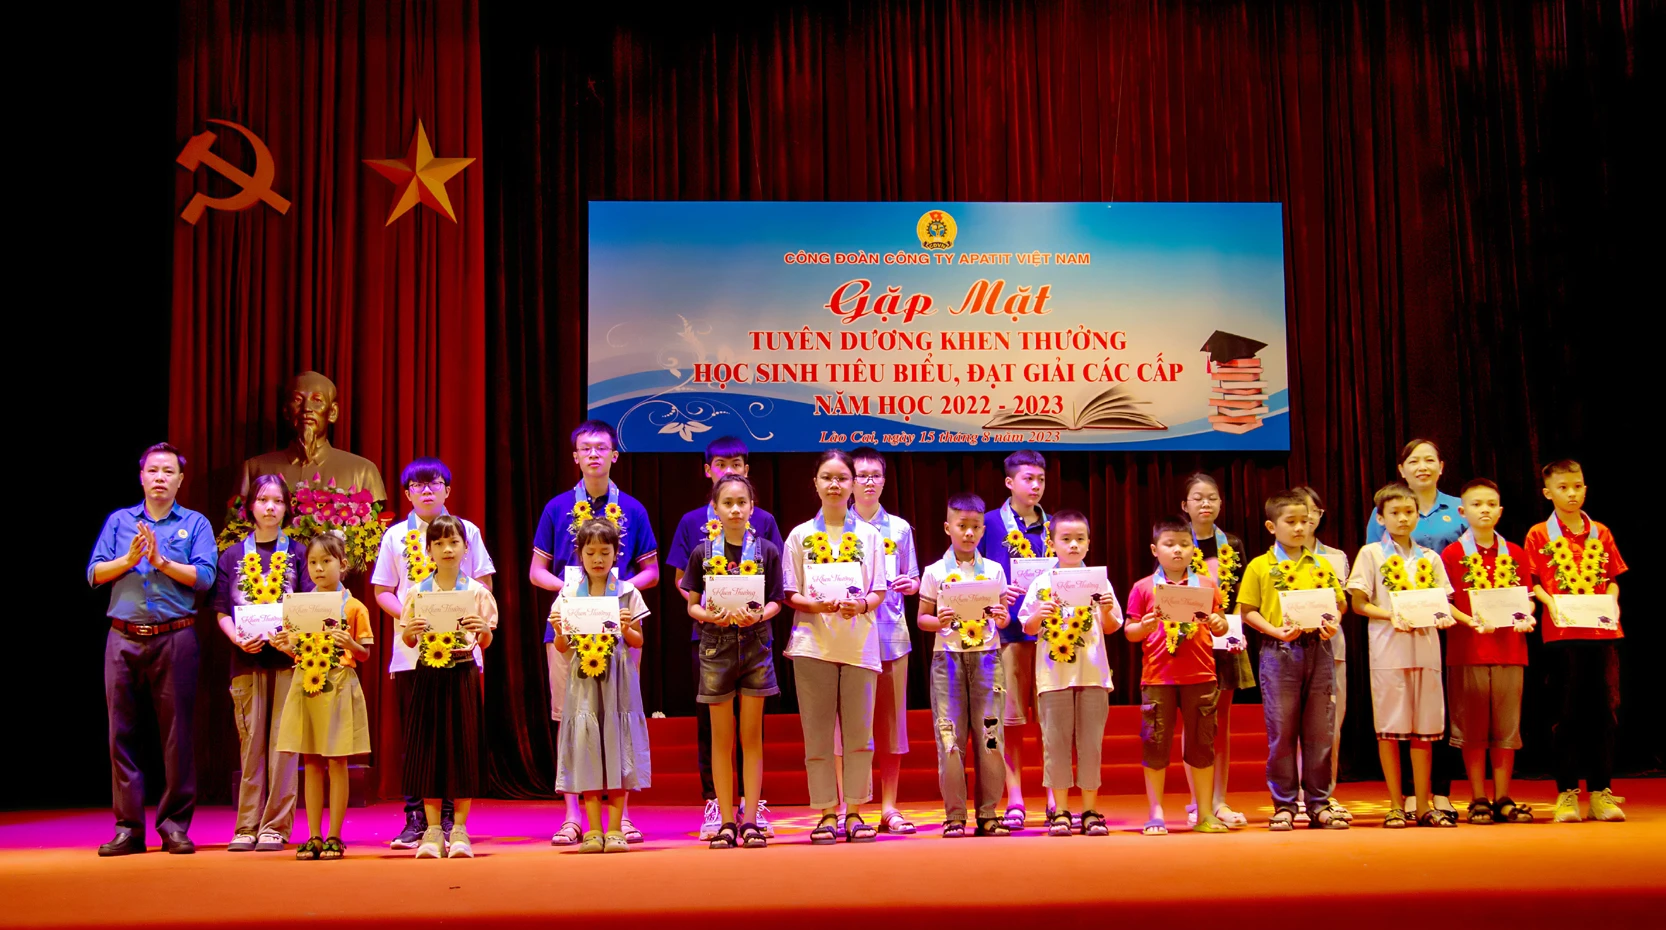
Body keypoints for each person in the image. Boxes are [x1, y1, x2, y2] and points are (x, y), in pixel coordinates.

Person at [531, 420, 658, 846]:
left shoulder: (633, 509)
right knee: (571, 717)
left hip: (621, 628)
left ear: (614, 455)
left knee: (621, 714)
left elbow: (652, 571)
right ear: (575, 456)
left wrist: (614, 596)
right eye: (586, 448)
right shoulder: (556, 508)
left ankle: (623, 818)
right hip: (569, 630)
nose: (594, 455)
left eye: (601, 448)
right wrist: (574, 595)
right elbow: (536, 571)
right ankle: (572, 818)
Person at [87, 442, 217, 856]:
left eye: (168, 472)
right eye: (153, 471)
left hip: (175, 637)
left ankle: (174, 825)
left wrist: (161, 562)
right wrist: (128, 560)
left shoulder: (195, 523)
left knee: (177, 735)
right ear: (141, 477)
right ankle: (128, 828)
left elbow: (205, 578)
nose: (160, 477)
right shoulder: (119, 521)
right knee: (120, 734)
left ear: (180, 480)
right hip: (122, 637)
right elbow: (94, 573)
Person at [371, 458, 496, 850]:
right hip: (413, 653)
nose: (427, 491)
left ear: (448, 490)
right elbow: (382, 591)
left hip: (460, 653)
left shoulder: (467, 530)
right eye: (418, 485)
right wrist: (413, 619)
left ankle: (451, 821)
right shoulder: (395, 536)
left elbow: (483, 584)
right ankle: (416, 820)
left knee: (458, 736)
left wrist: (471, 626)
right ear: (407, 494)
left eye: (435, 483)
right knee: (420, 738)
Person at [664, 436, 783, 839]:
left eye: (741, 503)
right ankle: (725, 817)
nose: (735, 509)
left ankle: (751, 816)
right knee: (719, 737)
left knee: (752, 737)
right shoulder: (702, 550)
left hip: (756, 645)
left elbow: (777, 599)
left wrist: (758, 615)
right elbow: (691, 604)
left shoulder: (765, 549)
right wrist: (709, 613)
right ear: (714, 509)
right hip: (714, 646)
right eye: (727, 503)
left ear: (752, 507)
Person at [782, 449, 887, 844]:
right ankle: (827, 811)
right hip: (813, 645)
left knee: (860, 736)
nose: (835, 485)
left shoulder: (870, 536)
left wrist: (860, 605)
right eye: (827, 478)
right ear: (815, 483)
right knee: (818, 736)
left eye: (842, 478)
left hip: (859, 645)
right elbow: (790, 592)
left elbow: (879, 590)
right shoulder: (799, 536)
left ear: (853, 485)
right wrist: (815, 605)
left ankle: (856, 811)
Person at [1364, 439, 1467, 814]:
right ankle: (1404, 797)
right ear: (1402, 469)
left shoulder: (1457, 511)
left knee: (1437, 714)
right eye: (1414, 460)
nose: (1422, 466)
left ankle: (1437, 794)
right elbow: (1370, 581)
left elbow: (1465, 564)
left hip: (1440, 626)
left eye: (1429, 460)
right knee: (1396, 717)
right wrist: (1392, 613)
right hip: (1393, 634)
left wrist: (1465, 616)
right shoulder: (1379, 528)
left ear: (1441, 466)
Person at [1347, 484, 1456, 829]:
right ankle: (1396, 804)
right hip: (1388, 651)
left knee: (1425, 730)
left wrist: (1444, 616)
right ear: (1380, 518)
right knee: (1390, 729)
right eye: (1394, 513)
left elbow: (1443, 602)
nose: (1403, 518)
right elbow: (1358, 603)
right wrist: (1390, 615)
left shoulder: (1430, 558)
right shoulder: (1371, 554)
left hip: (1426, 650)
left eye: (1409, 512)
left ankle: (1423, 805)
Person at [1524, 460, 1628, 823]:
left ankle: (1601, 793)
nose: (1572, 493)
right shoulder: (1539, 534)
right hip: (1561, 635)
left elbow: (1612, 578)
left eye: (1578, 486)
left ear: (1585, 488)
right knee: (1564, 714)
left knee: (1604, 714)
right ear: (1547, 492)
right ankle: (1566, 793)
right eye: (1563, 487)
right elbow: (1533, 582)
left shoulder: (1600, 532)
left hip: (1601, 634)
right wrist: (1550, 603)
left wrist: (1612, 600)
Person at [1238, 490, 1346, 831]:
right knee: (1282, 731)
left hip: (1319, 649)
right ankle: (1284, 804)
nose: (1300, 528)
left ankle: (1319, 803)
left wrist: (1333, 623)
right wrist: (1275, 630)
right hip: (1279, 652)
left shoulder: (1321, 564)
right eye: (1291, 522)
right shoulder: (1260, 565)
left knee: (1320, 731)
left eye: (1305, 521)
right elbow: (1247, 611)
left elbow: (1338, 604)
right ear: (1272, 526)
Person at [212, 473, 310, 852]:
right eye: (263, 500)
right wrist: (237, 637)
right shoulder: (232, 555)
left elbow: (308, 605)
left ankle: (276, 826)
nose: (270, 507)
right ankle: (246, 825)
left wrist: (293, 639)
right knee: (251, 743)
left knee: (284, 744)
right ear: (250, 506)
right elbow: (222, 609)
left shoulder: (299, 553)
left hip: (287, 660)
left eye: (278, 501)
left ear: (287, 508)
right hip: (246, 659)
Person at [398, 516, 499, 858]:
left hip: (462, 671)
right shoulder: (417, 592)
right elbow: (408, 640)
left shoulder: (477, 592)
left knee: (463, 747)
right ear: (428, 550)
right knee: (429, 749)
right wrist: (410, 631)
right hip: (429, 673)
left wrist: (482, 629)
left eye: (454, 542)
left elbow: (486, 640)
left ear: (466, 547)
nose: (447, 549)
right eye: (439, 543)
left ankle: (459, 829)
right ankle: (431, 830)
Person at [550, 519, 653, 853]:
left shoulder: (627, 592)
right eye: (590, 552)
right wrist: (559, 630)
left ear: (616, 553)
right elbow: (562, 646)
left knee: (618, 746)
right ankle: (593, 829)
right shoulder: (569, 594)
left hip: (618, 680)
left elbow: (638, 641)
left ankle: (616, 828)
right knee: (588, 747)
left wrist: (627, 628)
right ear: (579, 554)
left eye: (605, 552)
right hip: (583, 680)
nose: (597, 559)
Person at [1021, 509, 1124, 837]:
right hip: (1054, 677)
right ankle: (1061, 810)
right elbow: (1027, 627)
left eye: (1080, 539)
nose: (1074, 545)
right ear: (1052, 543)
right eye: (1066, 539)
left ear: (1089, 543)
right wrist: (1039, 613)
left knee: (1091, 743)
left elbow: (1112, 626)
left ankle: (1090, 810)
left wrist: (1105, 609)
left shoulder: (1099, 582)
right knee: (1055, 743)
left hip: (1092, 673)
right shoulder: (1042, 583)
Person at [1122, 517, 1229, 836]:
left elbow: (1221, 624)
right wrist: (1144, 626)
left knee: (1202, 745)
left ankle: (1205, 811)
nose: (1178, 550)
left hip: (1201, 674)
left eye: (1184, 544)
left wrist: (1219, 624)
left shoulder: (1206, 585)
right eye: (1169, 544)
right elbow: (1129, 631)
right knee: (1155, 745)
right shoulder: (1143, 587)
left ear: (1193, 549)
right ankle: (1156, 812)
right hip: (1158, 678)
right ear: (1155, 550)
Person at [1439, 479, 1537, 824]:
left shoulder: (1516, 553)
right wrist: (1470, 621)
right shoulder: (1452, 555)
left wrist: (1527, 617)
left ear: (1500, 511)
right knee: (1472, 729)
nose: (1484, 510)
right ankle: (1478, 797)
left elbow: (1527, 599)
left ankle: (1504, 797)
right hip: (1468, 651)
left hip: (1511, 650)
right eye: (1477, 504)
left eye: (1491, 504)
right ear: (1462, 511)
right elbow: (1444, 603)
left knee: (1507, 729)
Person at [272, 534, 374, 859]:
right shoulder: (301, 606)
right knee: (311, 760)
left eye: (326, 561)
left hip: (339, 683)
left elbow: (365, 654)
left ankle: (334, 835)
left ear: (342, 565)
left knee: (337, 760)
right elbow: (297, 649)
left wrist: (350, 644)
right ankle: (314, 835)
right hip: (307, 682)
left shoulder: (354, 607)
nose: (318, 568)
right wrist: (285, 646)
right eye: (312, 562)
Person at [917, 493, 1011, 838]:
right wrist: (938, 620)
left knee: (990, 737)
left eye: (975, 527)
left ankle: (988, 814)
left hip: (987, 658)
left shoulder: (994, 571)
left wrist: (1001, 616)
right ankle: (955, 815)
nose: (969, 533)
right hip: (948, 660)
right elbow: (922, 619)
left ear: (983, 530)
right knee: (949, 737)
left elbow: (1003, 619)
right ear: (948, 528)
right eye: (962, 526)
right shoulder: (935, 572)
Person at [836, 446, 919, 835]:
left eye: (876, 475)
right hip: (847, 637)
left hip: (890, 635)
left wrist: (909, 584)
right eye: (861, 475)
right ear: (850, 481)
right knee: (847, 726)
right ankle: (845, 806)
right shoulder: (835, 526)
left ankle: (889, 806)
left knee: (891, 726)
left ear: (884, 481)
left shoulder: (899, 529)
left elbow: (913, 579)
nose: (869, 482)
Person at [978, 449, 1054, 830]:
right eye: (1028, 479)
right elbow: (970, 573)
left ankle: (1054, 793)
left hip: (1051, 636)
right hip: (1006, 635)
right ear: (1009, 482)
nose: (1035, 486)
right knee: (1010, 719)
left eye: (1040, 479)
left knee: (1051, 717)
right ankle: (1015, 795)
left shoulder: (1054, 526)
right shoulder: (990, 523)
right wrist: (996, 592)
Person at [1179, 473, 1251, 827]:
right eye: (1197, 498)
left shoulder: (1232, 544)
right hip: (1189, 640)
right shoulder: (1177, 542)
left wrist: (1231, 624)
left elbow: (1242, 595)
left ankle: (1219, 799)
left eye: (1212, 497)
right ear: (1185, 505)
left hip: (1225, 640)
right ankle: (1197, 800)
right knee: (1194, 723)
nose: (1205, 503)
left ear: (1221, 503)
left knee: (1221, 724)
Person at [1293, 486, 1354, 823]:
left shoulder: (1335, 557)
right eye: (1298, 513)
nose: (1305, 519)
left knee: (1330, 725)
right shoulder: (1274, 559)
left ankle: (1324, 794)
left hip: (1330, 646)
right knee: (1292, 724)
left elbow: (1340, 603)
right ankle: (1295, 797)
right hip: (1290, 647)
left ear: (1319, 516)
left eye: (1312, 512)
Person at [239, 371, 387, 506]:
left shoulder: (362, 471)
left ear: (333, 412)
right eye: (297, 400)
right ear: (286, 411)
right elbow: (238, 521)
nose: (306, 408)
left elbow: (376, 523)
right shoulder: (255, 469)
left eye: (317, 400)